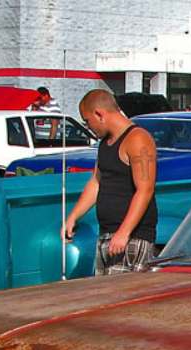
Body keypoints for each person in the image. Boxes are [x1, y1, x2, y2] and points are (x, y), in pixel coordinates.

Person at [62, 90, 159, 273]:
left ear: (99, 114)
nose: (88, 127)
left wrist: (124, 232)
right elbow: (96, 182)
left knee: (123, 298)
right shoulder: (105, 143)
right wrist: (73, 216)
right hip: (107, 235)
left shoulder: (137, 139)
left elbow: (145, 190)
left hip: (131, 239)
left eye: (87, 121)